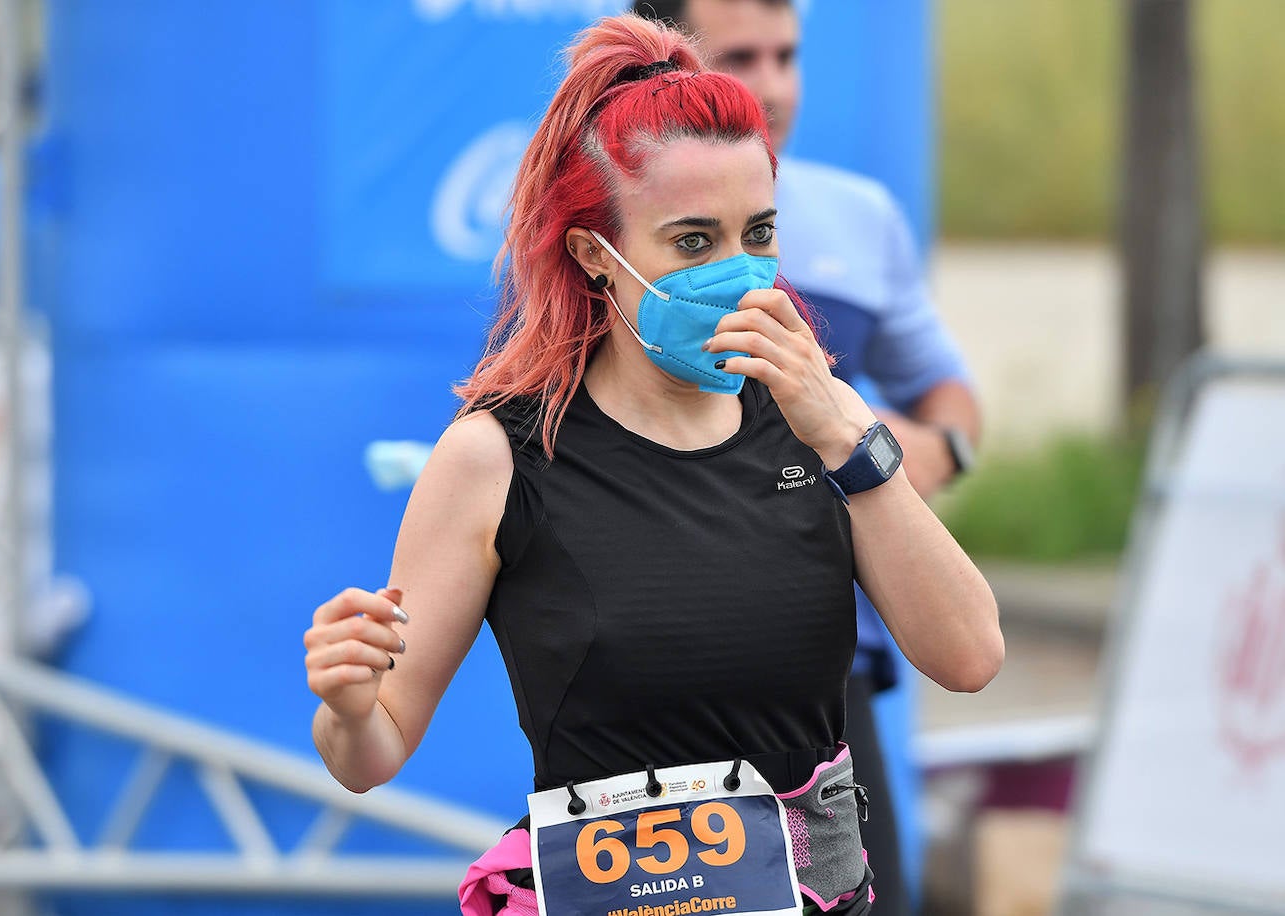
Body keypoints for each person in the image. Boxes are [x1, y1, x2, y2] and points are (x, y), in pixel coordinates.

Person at [303, 14, 1001, 915]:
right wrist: (349, 704)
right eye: (692, 242)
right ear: (596, 255)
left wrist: (848, 441)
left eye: (759, 233)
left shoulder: (819, 419)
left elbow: (972, 655)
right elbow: (374, 752)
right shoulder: (497, 455)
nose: (739, 273)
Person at [633, 3, 982, 910]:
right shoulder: (609, 230)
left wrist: (871, 452)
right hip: (661, 656)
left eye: (787, 54)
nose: (774, 83)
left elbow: (954, 406)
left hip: (825, 654)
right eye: (740, 56)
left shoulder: (862, 219)